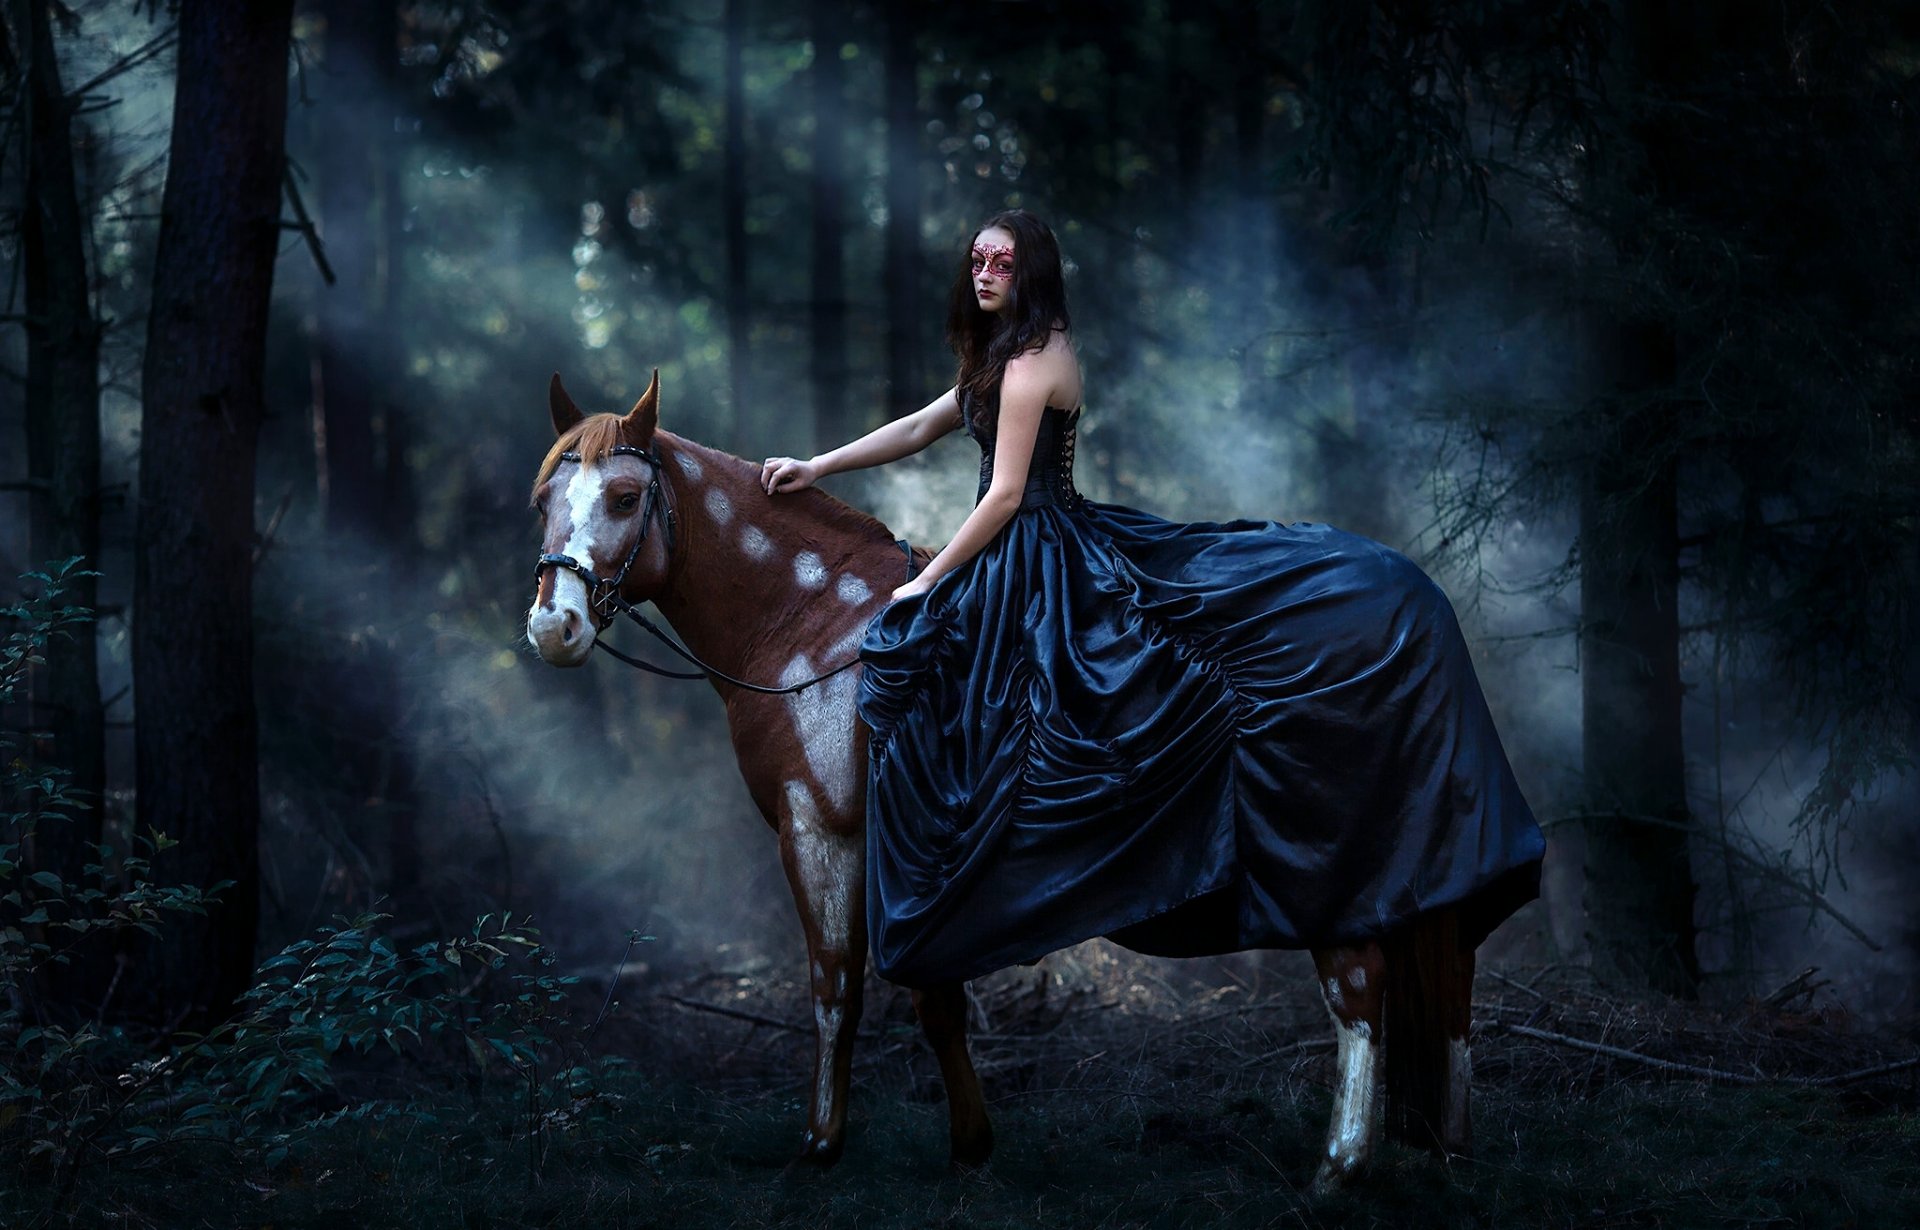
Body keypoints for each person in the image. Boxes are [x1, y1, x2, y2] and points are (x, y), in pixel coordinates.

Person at [761, 209, 1544, 988]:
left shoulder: (1038, 360)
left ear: (1032, 272)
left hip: (1043, 549)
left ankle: (1036, 868)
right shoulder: (998, 354)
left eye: (1003, 263)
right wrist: (819, 465)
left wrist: (927, 580)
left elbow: (1004, 498)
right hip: (1017, 549)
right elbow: (922, 425)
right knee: (946, 696)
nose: (986, 274)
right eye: (977, 261)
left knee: (1034, 695)